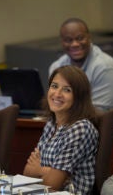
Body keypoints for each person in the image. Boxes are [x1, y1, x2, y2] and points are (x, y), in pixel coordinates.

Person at [23, 65, 99, 194]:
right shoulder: (51, 124)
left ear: (79, 97)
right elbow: (27, 174)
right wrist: (48, 171)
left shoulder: (80, 128)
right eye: (54, 86)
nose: (57, 94)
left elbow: (52, 185)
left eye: (67, 90)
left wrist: (40, 170)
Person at [49, 17, 113, 111]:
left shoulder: (105, 68)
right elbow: (55, 104)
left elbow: (97, 112)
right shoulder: (57, 67)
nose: (75, 44)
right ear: (62, 42)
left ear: (89, 38)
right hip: (70, 121)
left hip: (109, 124)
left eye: (80, 38)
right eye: (68, 40)